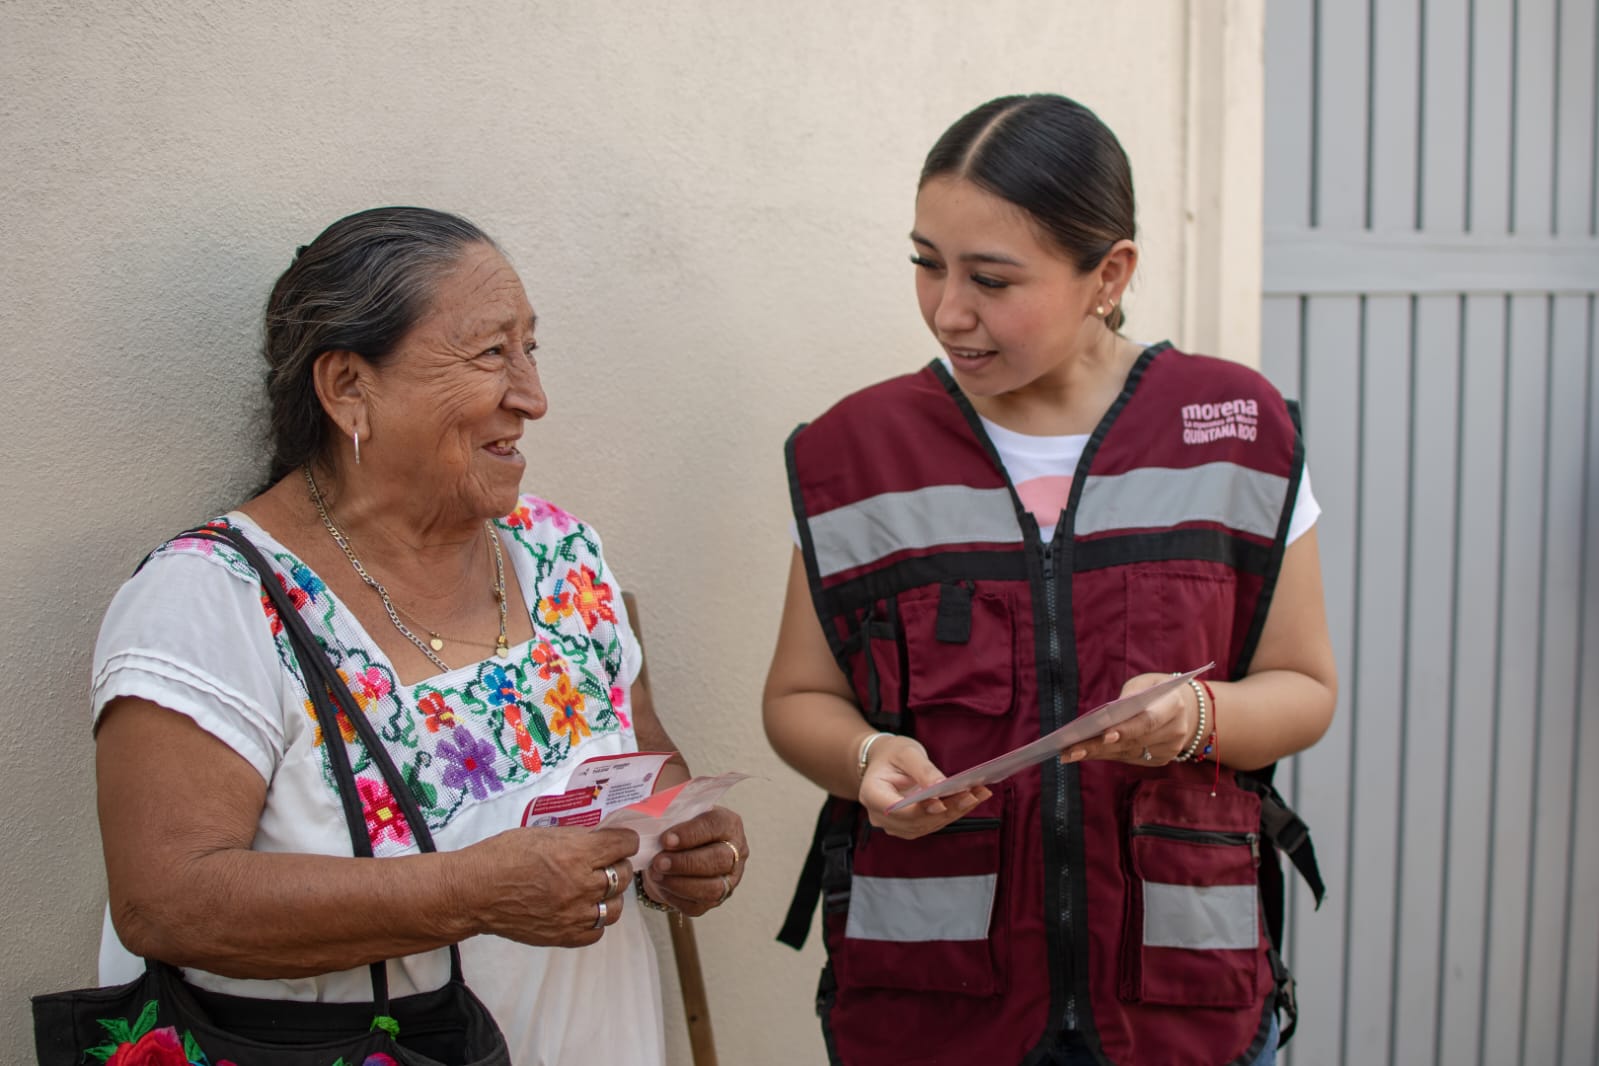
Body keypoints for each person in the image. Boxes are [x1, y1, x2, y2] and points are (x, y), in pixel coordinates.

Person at [91, 206, 748, 1065]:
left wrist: (679, 845)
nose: (533, 396)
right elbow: (165, 902)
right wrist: (468, 893)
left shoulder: (561, 554)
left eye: (530, 349)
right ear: (347, 388)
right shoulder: (210, 602)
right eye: (489, 354)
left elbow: (642, 749)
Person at [763, 95, 1336, 1066]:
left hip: (1181, 1014)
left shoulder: (1235, 430)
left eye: (991, 278)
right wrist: (863, 758)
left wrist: (1196, 715)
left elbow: (1304, 686)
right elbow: (797, 697)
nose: (949, 309)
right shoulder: (854, 453)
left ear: (1108, 274)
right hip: (930, 1015)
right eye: (925, 263)